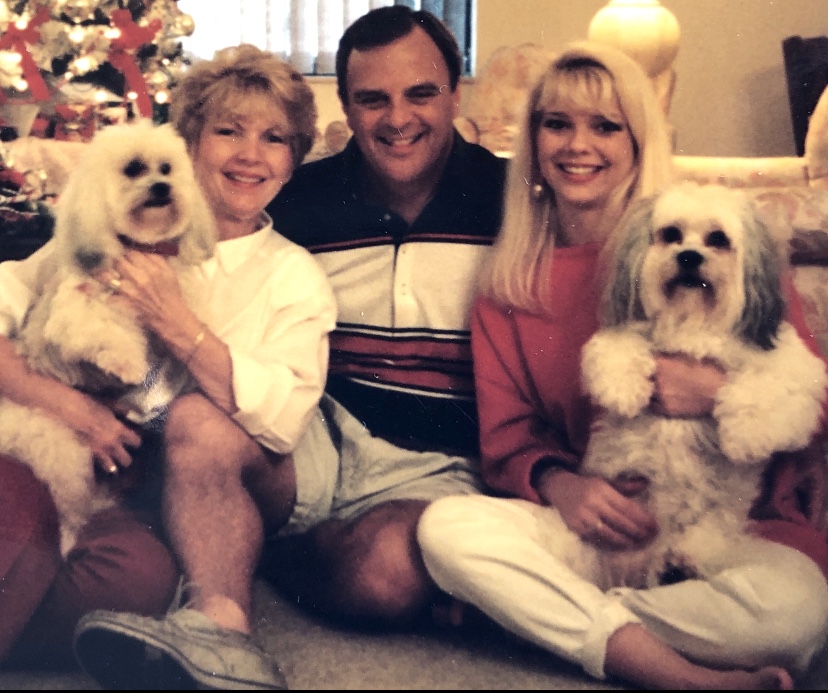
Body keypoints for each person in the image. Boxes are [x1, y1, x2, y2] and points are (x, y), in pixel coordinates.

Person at [416, 41, 828, 690]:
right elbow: (507, 438)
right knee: (445, 528)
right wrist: (561, 485)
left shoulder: (725, 249)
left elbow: (810, 393)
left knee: (796, 613)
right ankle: (665, 662)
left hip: (732, 530)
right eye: (558, 124)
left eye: (606, 125)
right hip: (593, 525)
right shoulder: (507, 282)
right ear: (534, 142)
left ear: (639, 140)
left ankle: (545, 622)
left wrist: (712, 391)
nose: (579, 145)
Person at [67, 44, 337, 690]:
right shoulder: (124, 238)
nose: (251, 154)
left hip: (282, 464)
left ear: (292, 162)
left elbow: (279, 417)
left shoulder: (294, 273)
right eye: (229, 131)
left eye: (274, 139)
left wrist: (176, 323)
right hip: (159, 461)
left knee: (197, 418)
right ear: (189, 143)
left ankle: (223, 631)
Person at [259, 4, 507, 625]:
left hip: (442, 462)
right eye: (373, 100)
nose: (398, 120)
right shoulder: (298, 202)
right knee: (202, 451)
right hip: (318, 441)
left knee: (382, 576)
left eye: (420, 94)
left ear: (455, 95)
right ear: (346, 107)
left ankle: (282, 558)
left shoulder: (515, 203)